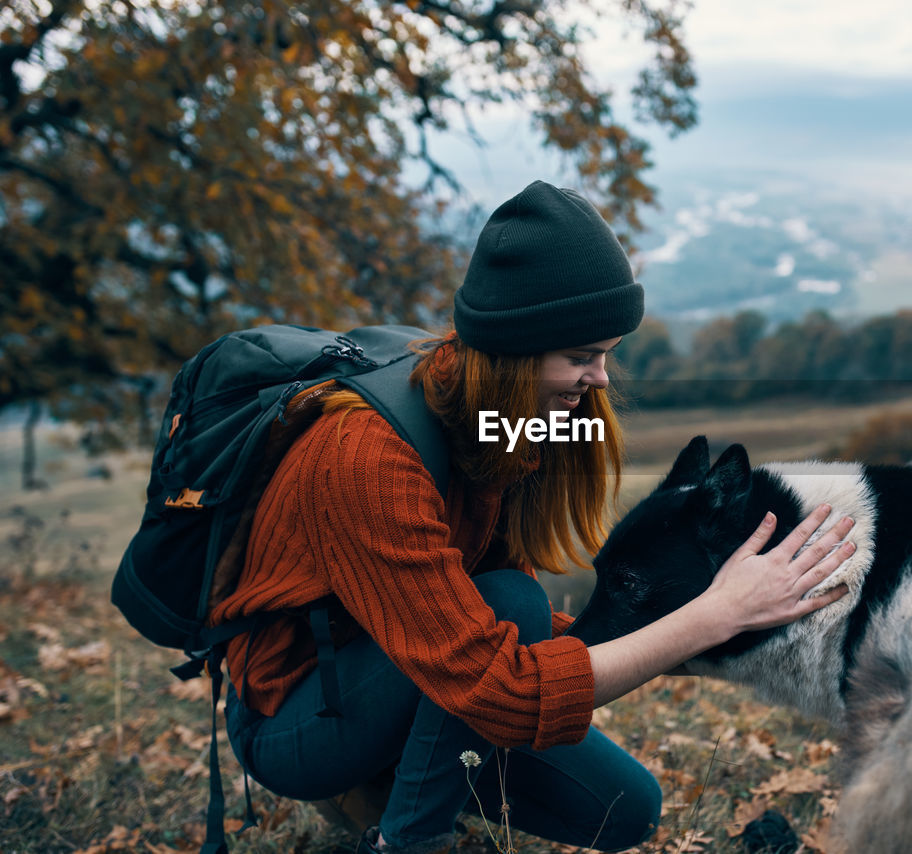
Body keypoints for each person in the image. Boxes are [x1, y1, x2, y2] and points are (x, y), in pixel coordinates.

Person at [210, 180, 853, 854]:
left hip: (420, 664)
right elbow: (502, 686)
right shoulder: (366, 459)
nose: (600, 379)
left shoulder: (509, 429)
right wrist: (711, 616)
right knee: (512, 602)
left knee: (625, 811)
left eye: (605, 355)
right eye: (580, 357)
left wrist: (734, 629)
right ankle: (404, 840)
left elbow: (510, 637)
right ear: (515, 350)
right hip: (297, 714)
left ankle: (399, 778)